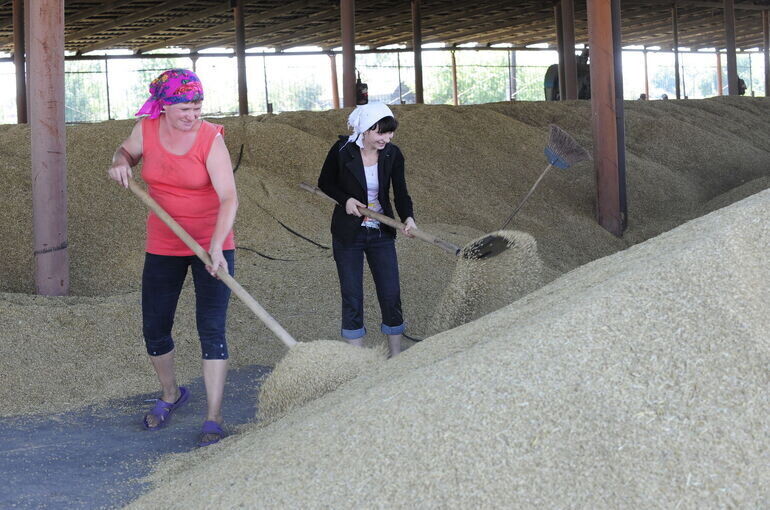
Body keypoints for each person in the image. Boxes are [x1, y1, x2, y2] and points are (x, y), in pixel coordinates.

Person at [107, 69, 238, 447]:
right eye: (184, 108)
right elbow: (125, 152)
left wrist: (216, 247)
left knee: (211, 329)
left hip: (212, 243)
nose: (192, 115)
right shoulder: (146, 129)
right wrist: (120, 162)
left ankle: (212, 416)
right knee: (155, 326)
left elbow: (229, 197)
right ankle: (170, 393)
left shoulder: (211, 138)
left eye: (197, 107)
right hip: (164, 243)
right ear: (163, 106)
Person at [317, 102, 415, 358]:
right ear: (366, 130)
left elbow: (401, 192)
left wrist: (408, 218)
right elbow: (324, 182)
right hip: (348, 234)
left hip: (381, 230)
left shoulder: (393, 154)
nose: (387, 137)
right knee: (352, 295)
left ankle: (395, 356)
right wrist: (346, 200)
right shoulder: (342, 150)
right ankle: (356, 360)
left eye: (390, 132)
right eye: (381, 132)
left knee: (391, 292)